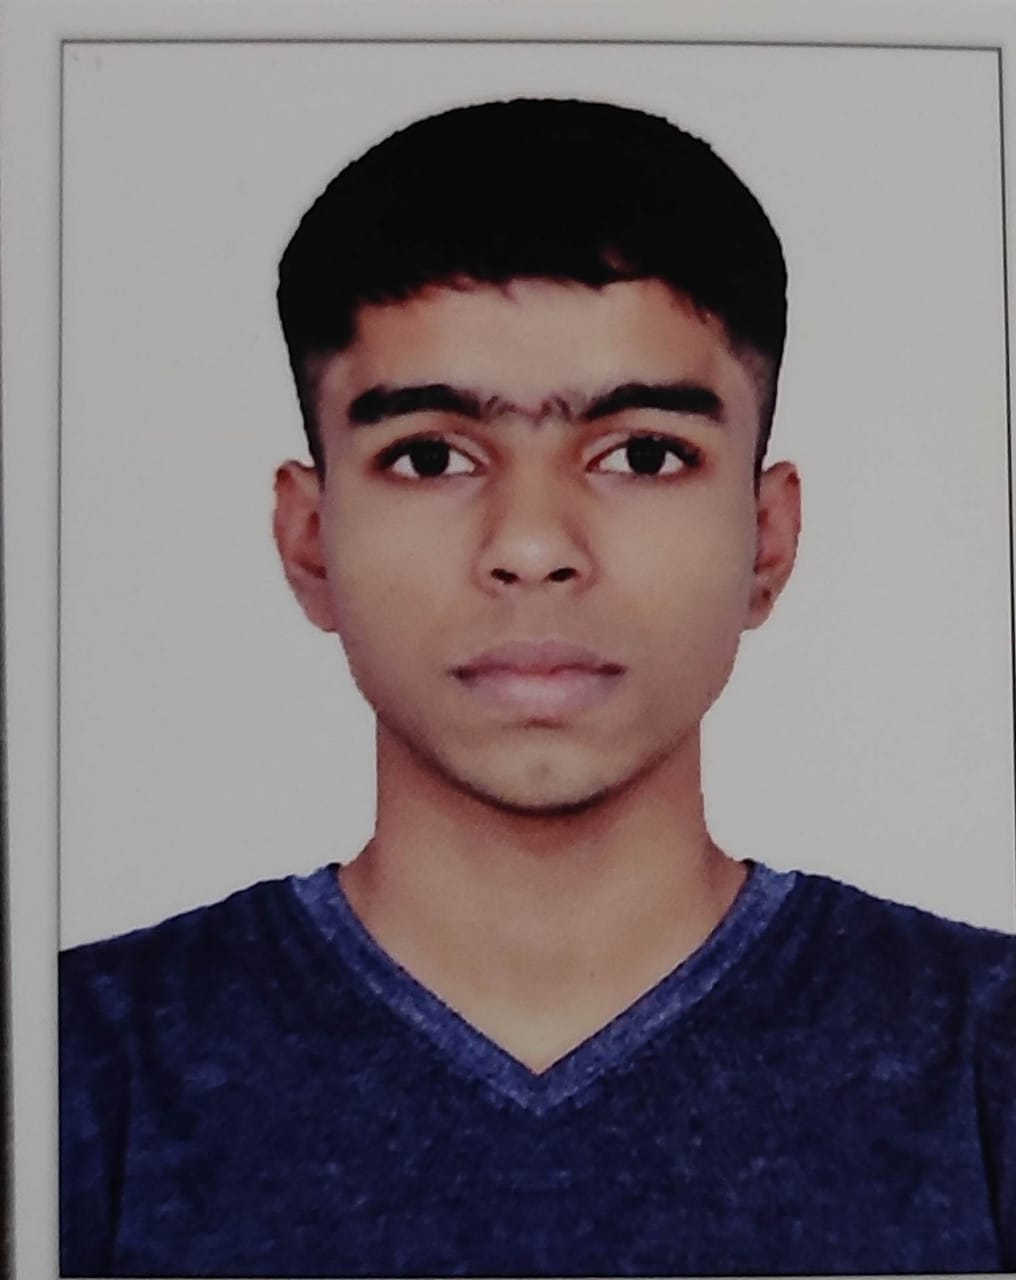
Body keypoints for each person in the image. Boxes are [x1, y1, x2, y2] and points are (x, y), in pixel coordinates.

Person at [59, 98, 1015, 1277]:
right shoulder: (77, 1068)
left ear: (766, 540)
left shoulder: (983, 1055)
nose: (529, 545)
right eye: (428, 455)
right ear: (309, 540)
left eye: (643, 453)